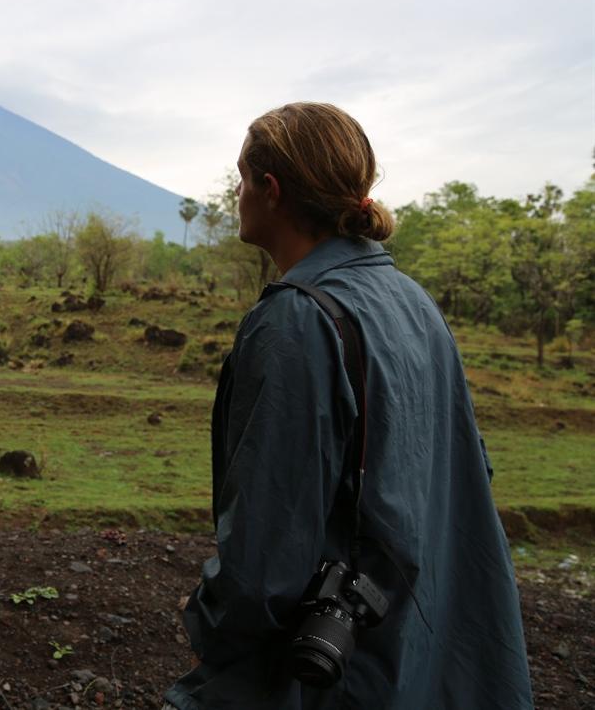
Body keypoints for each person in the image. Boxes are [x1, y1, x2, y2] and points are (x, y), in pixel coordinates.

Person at [163, 103, 533, 709]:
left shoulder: (296, 321)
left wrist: (207, 615)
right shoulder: (414, 303)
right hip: (423, 656)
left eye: (241, 176)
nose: (236, 192)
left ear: (270, 189)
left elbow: (264, 561)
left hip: (336, 677)